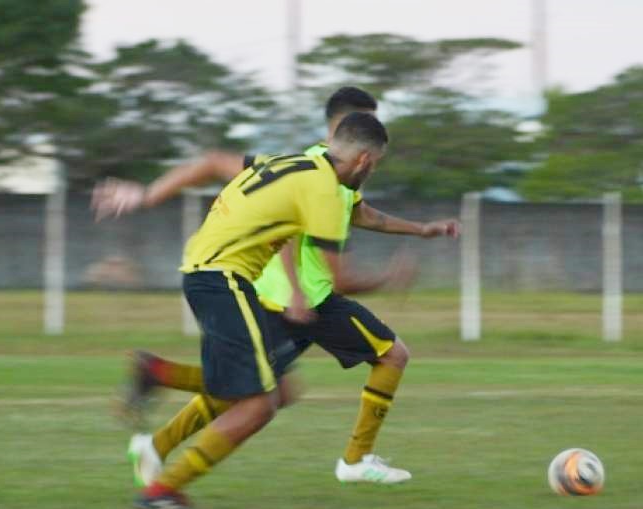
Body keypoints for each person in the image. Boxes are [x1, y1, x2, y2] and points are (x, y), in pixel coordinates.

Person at [94, 87, 459, 488]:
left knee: (266, 388)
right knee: (383, 356)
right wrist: (381, 280)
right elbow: (314, 252)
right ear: (351, 138)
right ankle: (353, 460)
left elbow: (348, 214)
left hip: (268, 290)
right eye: (366, 123)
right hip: (301, 297)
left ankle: (157, 436)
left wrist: (422, 230)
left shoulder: (310, 166)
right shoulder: (322, 182)